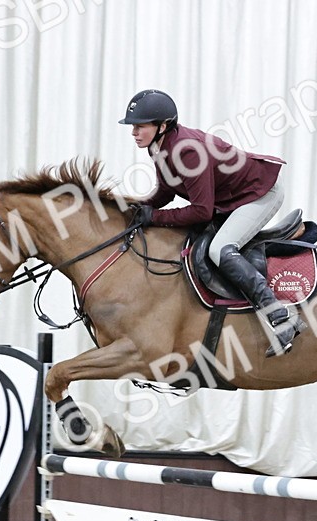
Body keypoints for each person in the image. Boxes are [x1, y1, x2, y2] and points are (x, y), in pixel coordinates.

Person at [120, 89, 305, 357]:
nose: (134, 132)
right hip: (232, 197)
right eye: (133, 127)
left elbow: (201, 212)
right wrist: (137, 209)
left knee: (220, 250)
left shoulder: (187, 152)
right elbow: (166, 192)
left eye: (140, 126)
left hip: (259, 192)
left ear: (162, 126)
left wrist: (155, 217)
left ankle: (280, 315)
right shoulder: (159, 147)